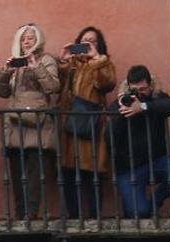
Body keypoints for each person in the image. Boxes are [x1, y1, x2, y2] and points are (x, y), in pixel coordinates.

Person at [0, 23, 62, 221]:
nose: (27, 42)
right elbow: (2, 91)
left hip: (37, 123)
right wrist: (5, 72)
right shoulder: (16, 62)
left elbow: (53, 87)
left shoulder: (46, 59)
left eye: (30, 38)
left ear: (38, 40)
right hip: (15, 121)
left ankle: (31, 213)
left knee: (35, 171)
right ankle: (20, 212)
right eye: (23, 38)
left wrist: (37, 67)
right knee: (17, 171)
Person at [106, 65, 170, 218]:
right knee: (140, 213)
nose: (139, 94)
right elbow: (109, 138)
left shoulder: (156, 97)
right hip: (128, 169)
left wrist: (144, 107)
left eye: (143, 89)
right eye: (135, 90)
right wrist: (122, 112)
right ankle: (144, 209)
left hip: (155, 163)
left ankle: (155, 202)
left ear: (150, 86)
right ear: (128, 87)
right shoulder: (121, 102)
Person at [57, 26, 116, 219]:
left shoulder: (104, 63)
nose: (88, 43)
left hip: (91, 126)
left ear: (99, 45)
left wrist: (96, 60)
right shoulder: (72, 63)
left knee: (92, 175)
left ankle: (94, 216)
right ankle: (73, 216)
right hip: (69, 124)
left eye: (93, 40)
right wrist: (63, 61)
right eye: (85, 40)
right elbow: (57, 86)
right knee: (67, 173)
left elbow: (106, 84)